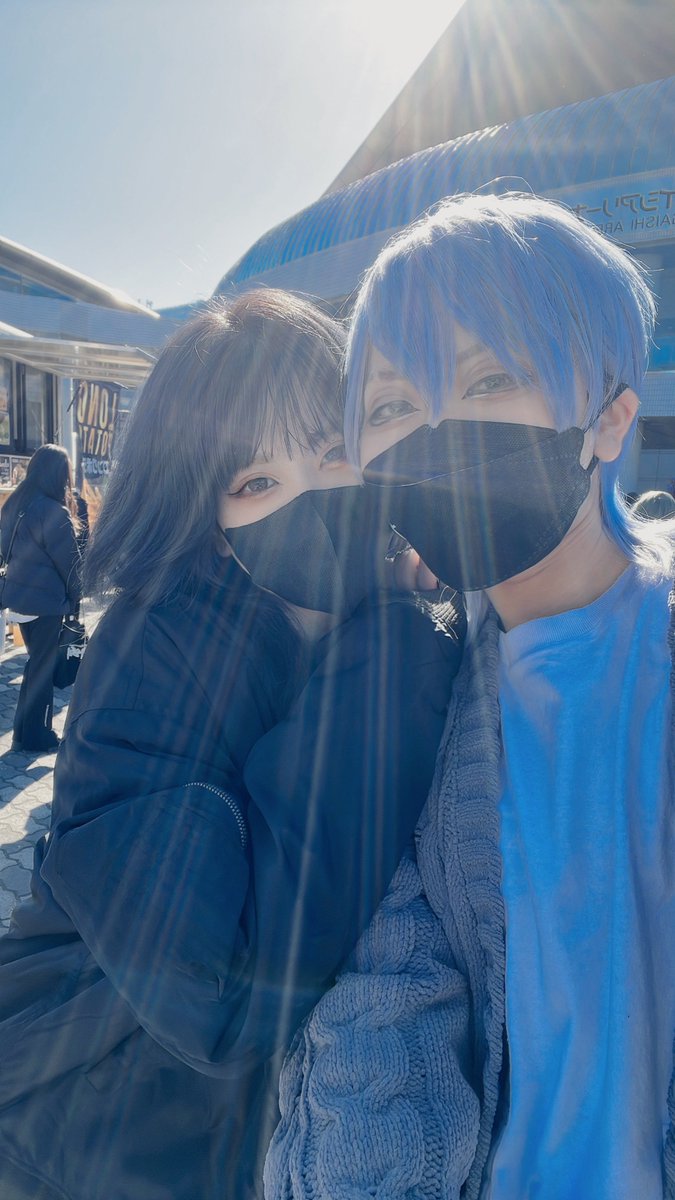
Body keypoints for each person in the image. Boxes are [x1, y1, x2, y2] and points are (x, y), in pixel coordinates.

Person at [0, 288, 464, 1200]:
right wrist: (398, 648)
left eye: (330, 453)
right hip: (76, 1139)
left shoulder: (379, 612)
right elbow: (222, 992)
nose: (308, 497)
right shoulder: (153, 652)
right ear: (203, 517)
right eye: (255, 483)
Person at [266, 194, 675, 1199]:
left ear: (609, 419)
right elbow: (379, 1013)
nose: (436, 434)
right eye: (393, 407)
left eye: (489, 379)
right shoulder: (414, 701)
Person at [0, 444, 81, 752]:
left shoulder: (14, 504)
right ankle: (36, 735)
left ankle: (23, 733)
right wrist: (76, 600)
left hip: (18, 600)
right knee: (41, 670)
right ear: (59, 475)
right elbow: (71, 565)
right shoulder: (54, 511)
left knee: (36, 665)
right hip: (46, 603)